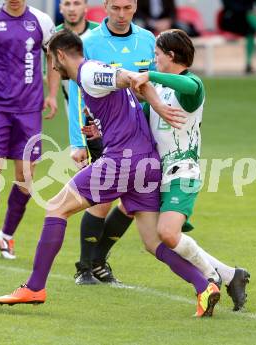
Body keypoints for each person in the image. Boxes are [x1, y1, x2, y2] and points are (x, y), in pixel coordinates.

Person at [0, 29, 221, 318]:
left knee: (55, 208)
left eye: (51, 60)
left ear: (61, 55)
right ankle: (204, 286)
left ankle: (35, 287)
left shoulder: (89, 73)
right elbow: (127, 89)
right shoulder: (94, 73)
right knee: (153, 243)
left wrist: (160, 107)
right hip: (147, 164)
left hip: (122, 162)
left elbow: (130, 78)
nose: (51, 67)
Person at [84, 29, 251, 311]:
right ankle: (230, 275)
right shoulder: (157, 93)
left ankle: (209, 276)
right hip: (155, 174)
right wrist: (97, 134)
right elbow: (135, 124)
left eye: (158, 54)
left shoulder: (191, 85)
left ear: (171, 56)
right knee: (154, 240)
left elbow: (188, 88)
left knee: (168, 233)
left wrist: (150, 76)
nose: (154, 59)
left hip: (182, 171)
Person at [69, 0, 157, 285]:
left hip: (141, 136)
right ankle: (84, 268)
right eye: (115, 8)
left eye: (127, 8)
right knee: (102, 199)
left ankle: (98, 262)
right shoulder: (90, 42)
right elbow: (76, 92)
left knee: (132, 203)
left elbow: (155, 87)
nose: (121, 15)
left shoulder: (147, 40)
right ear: (105, 6)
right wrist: (77, 141)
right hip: (101, 133)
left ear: (135, 7)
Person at [0, 0, 59, 260]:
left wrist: (52, 94)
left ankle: (7, 237)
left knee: (26, 175)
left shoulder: (42, 22)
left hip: (30, 110)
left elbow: (52, 58)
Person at [55, 0, 102, 171]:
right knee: (83, 163)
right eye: (67, 4)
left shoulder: (98, 33)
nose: (72, 8)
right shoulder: (54, 35)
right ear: (60, 8)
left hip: (100, 106)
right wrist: (52, 96)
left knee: (104, 164)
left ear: (85, 7)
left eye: (77, 3)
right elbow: (50, 72)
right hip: (74, 103)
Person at [134, 0, 200, 37]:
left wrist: (169, 21)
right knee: (137, 27)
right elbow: (138, 12)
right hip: (148, 22)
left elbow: (173, 12)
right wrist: (153, 23)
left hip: (166, 22)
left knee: (184, 28)